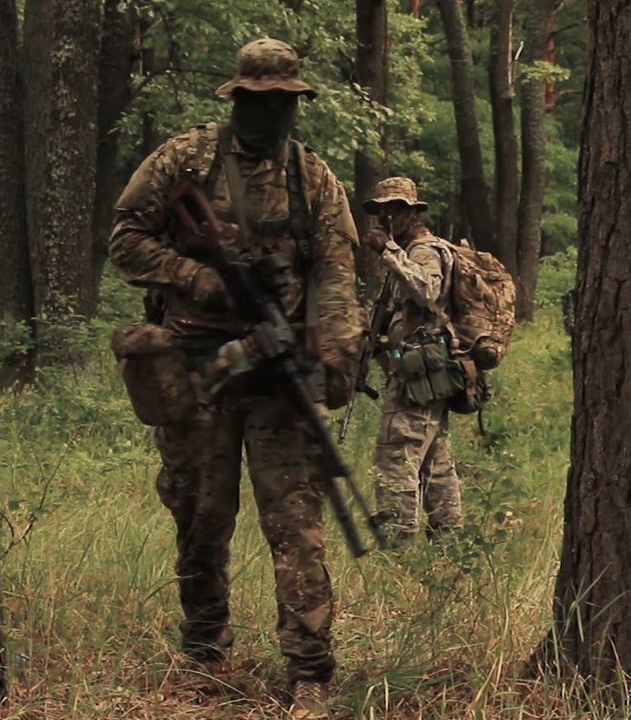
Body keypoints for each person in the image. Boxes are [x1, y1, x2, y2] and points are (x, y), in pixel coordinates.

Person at [108, 38, 362, 720]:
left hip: (278, 377)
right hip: (197, 369)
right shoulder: (185, 159)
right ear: (238, 97)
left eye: (284, 101)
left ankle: (309, 668)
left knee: (297, 523)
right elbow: (126, 237)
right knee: (200, 513)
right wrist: (198, 277)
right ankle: (204, 653)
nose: (272, 112)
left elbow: (336, 275)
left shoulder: (315, 180)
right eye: (259, 100)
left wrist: (332, 361)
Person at [358, 177, 464, 547]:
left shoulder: (423, 252)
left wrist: (388, 251)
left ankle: (398, 548)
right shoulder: (405, 253)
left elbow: (427, 290)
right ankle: (449, 546)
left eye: (396, 208)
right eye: (382, 210)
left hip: (423, 372)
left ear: (412, 213)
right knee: (436, 463)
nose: (387, 217)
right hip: (419, 372)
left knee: (394, 458)